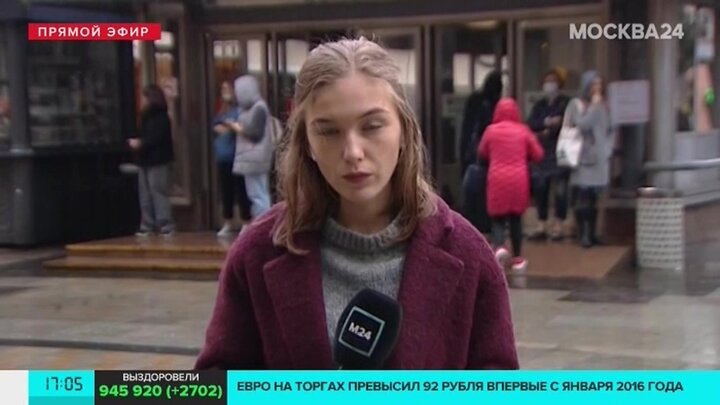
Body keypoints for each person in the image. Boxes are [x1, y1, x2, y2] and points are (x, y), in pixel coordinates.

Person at [195, 38, 518, 370]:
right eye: (329, 131)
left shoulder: (469, 255)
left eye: (372, 126)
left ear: (404, 130)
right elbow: (211, 385)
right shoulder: (255, 253)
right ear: (306, 143)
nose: (352, 152)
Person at [479, 98, 544, 274]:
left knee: (497, 218)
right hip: (518, 180)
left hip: (497, 179)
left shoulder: (491, 131)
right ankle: (517, 259)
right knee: (516, 219)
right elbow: (538, 154)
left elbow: (481, 153)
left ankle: (499, 247)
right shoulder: (524, 131)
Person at [564, 70, 614, 248]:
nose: (597, 88)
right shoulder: (577, 104)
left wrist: (607, 149)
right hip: (583, 157)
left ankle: (593, 233)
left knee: (594, 199)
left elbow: (611, 129)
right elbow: (582, 124)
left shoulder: (605, 105)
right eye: (594, 84)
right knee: (582, 197)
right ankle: (582, 233)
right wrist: (593, 108)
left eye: (599, 84)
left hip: (600, 158)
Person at [526, 68, 571, 241]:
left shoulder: (565, 103)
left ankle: (559, 224)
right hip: (542, 153)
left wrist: (550, 127)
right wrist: (548, 122)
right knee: (541, 189)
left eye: (553, 81)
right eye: (547, 81)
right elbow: (532, 123)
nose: (549, 84)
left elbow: (567, 123)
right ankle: (542, 223)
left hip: (561, 152)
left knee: (560, 190)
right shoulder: (540, 105)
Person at [128, 84, 175, 237]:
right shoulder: (144, 117)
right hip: (144, 159)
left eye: (144, 97)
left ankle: (165, 224)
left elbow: (158, 137)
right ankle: (147, 225)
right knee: (145, 194)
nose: (142, 101)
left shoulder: (161, 117)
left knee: (158, 191)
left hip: (158, 160)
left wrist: (141, 143)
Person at [460, 71, 503, 234]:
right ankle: (485, 223)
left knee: (473, 190)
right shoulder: (493, 105)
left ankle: (474, 223)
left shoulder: (475, 100)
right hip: (487, 156)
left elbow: (467, 128)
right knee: (485, 191)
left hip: (472, 154)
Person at [226, 75, 273, 220]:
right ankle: (261, 222)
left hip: (255, 157)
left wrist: (238, 127)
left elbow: (255, 133)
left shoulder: (259, 108)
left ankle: (264, 223)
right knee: (255, 194)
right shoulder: (248, 108)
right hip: (250, 158)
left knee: (258, 194)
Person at [212, 81, 253, 236]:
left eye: (228, 89)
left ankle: (246, 221)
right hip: (223, 156)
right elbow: (216, 126)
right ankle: (227, 221)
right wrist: (225, 127)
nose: (225, 93)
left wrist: (228, 127)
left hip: (237, 155)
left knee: (241, 190)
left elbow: (240, 128)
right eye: (223, 89)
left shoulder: (240, 110)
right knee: (226, 190)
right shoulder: (221, 111)